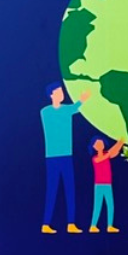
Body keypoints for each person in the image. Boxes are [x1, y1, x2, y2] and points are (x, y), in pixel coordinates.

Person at [41, 82, 91, 234]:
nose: (61, 94)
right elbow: (74, 108)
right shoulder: (46, 112)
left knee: (70, 189)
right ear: (51, 95)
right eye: (58, 92)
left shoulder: (66, 110)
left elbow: (76, 107)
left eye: (62, 92)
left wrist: (83, 99)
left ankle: (71, 223)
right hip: (52, 157)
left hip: (66, 155)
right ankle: (46, 224)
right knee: (52, 189)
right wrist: (81, 100)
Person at [89, 136, 124, 232]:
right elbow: (107, 155)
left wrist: (120, 143)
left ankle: (109, 226)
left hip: (108, 184)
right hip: (99, 185)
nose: (100, 145)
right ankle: (93, 225)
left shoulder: (106, 154)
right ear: (94, 146)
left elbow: (114, 152)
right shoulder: (95, 158)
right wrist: (119, 143)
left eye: (101, 143)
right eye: (98, 144)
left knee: (110, 205)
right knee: (98, 205)